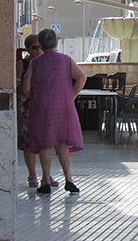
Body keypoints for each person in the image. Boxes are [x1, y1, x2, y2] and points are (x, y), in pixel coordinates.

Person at [22, 29, 87, 195]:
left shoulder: (35, 63)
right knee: (62, 143)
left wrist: (37, 96)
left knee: (46, 143)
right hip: (64, 107)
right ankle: (69, 179)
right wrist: (71, 96)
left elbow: (26, 88)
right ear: (56, 42)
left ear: (42, 44)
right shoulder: (66, 60)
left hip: (42, 107)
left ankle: (45, 181)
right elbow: (81, 77)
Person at [16, 35, 57, 188]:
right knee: (28, 143)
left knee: (45, 142)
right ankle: (32, 175)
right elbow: (19, 84)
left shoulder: (46, 63)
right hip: (27, 107)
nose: (38, 50)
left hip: (44, 106)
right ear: (28, 49)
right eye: (34, 47)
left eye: (40, 47)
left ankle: (46, 175)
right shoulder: (24, 64)